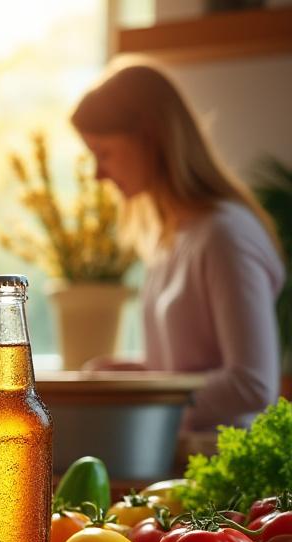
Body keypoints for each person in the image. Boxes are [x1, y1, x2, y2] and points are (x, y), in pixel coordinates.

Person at [72, 59, 285, 431]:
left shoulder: (224, 235)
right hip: (180, 462)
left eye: (104, 153)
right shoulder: (172, 238)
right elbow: (185, 371)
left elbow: (253, 384)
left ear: (150, 135)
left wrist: (140, 401)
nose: (98, 174)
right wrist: (129, 377)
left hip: (222, 472)